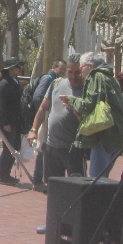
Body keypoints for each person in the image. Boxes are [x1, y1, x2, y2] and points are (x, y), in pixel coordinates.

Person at [27, 54, 85, 233]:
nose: (73, 77)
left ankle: (73, 226)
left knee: (76, 189)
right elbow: (44, 108)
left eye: (77, 72)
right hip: (52, 146)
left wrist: (75, 109)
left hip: (74, 148)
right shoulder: (56, 84)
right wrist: (34, 130)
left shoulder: (87, 89)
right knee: (53, 189)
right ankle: (53, 223)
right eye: (70, 72)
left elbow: (88, 120)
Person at [60, 52, 123, 179]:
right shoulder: (110, 78)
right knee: (103, 178)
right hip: (117, 135)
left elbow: (88, 105)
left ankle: (96, 199)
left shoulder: (95, 76)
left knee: (96, 181)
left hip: (103, 135)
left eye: (81, 69)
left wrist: (71, 100)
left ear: (90, 66)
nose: (80, 73)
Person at [31, 59, 67, 191]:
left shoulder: (56, 80)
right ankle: (37, 179)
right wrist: (44, 113)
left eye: (64, 69)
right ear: (54, 67)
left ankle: (38, 179)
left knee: (43, 148)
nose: (62, 72)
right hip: (45, 119)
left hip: (47, 119)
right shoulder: (49, 79)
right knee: (42, 147)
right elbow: (38, 98)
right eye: (61, 69)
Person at [0, 58, 24, 185]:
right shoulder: (5, 84)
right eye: (18, 67)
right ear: (11, 68)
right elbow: (2, 105)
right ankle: (2, 175)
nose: (20, 69)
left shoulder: (15, 81)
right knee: (8, 148)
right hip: (6, 120)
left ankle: (7, 173)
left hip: (15, 119)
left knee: (15, 147)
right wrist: (6, 123)